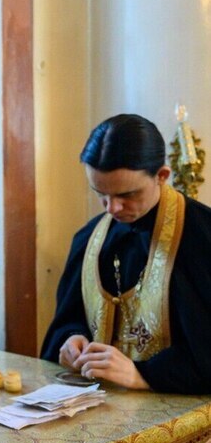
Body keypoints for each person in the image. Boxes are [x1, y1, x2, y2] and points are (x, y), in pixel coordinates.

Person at [40, 113, 211, 395]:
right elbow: (68, 319)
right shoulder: (89, 238)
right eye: (101, 194)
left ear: (162, 176)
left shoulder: (202, 236)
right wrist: (72, 339)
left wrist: (142, 374)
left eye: (127, 195)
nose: (112, 208)